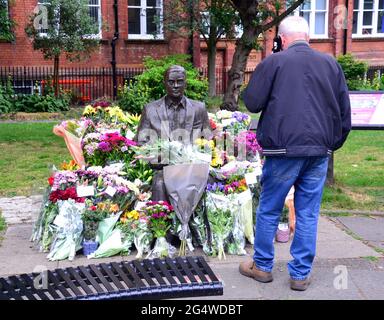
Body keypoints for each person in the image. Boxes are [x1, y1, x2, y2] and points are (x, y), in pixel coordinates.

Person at [239, 16, 351, 291]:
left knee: (269, 209)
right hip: (318, 150)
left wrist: (273, 61)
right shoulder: (330, 63)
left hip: (283, 149)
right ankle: (300, 274)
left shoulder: (275, 62)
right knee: (308, 213)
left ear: (282, 39)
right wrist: (332, 143)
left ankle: (262, 267)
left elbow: (252, 101)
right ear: (308, 37)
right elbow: (344, 111)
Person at [135, 65, 211, 201]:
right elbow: (140, 143)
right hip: (163, 167)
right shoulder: (150, 110)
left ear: (185, 83)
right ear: (165, 83)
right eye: (171, 82)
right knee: (160, 183)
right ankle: (161, 219)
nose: (175, 86)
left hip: (193, 166)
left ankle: (199, 222)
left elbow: (208, 140)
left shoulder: (199, 108)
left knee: (211, 181)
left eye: (180, 81)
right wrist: (161, 158)